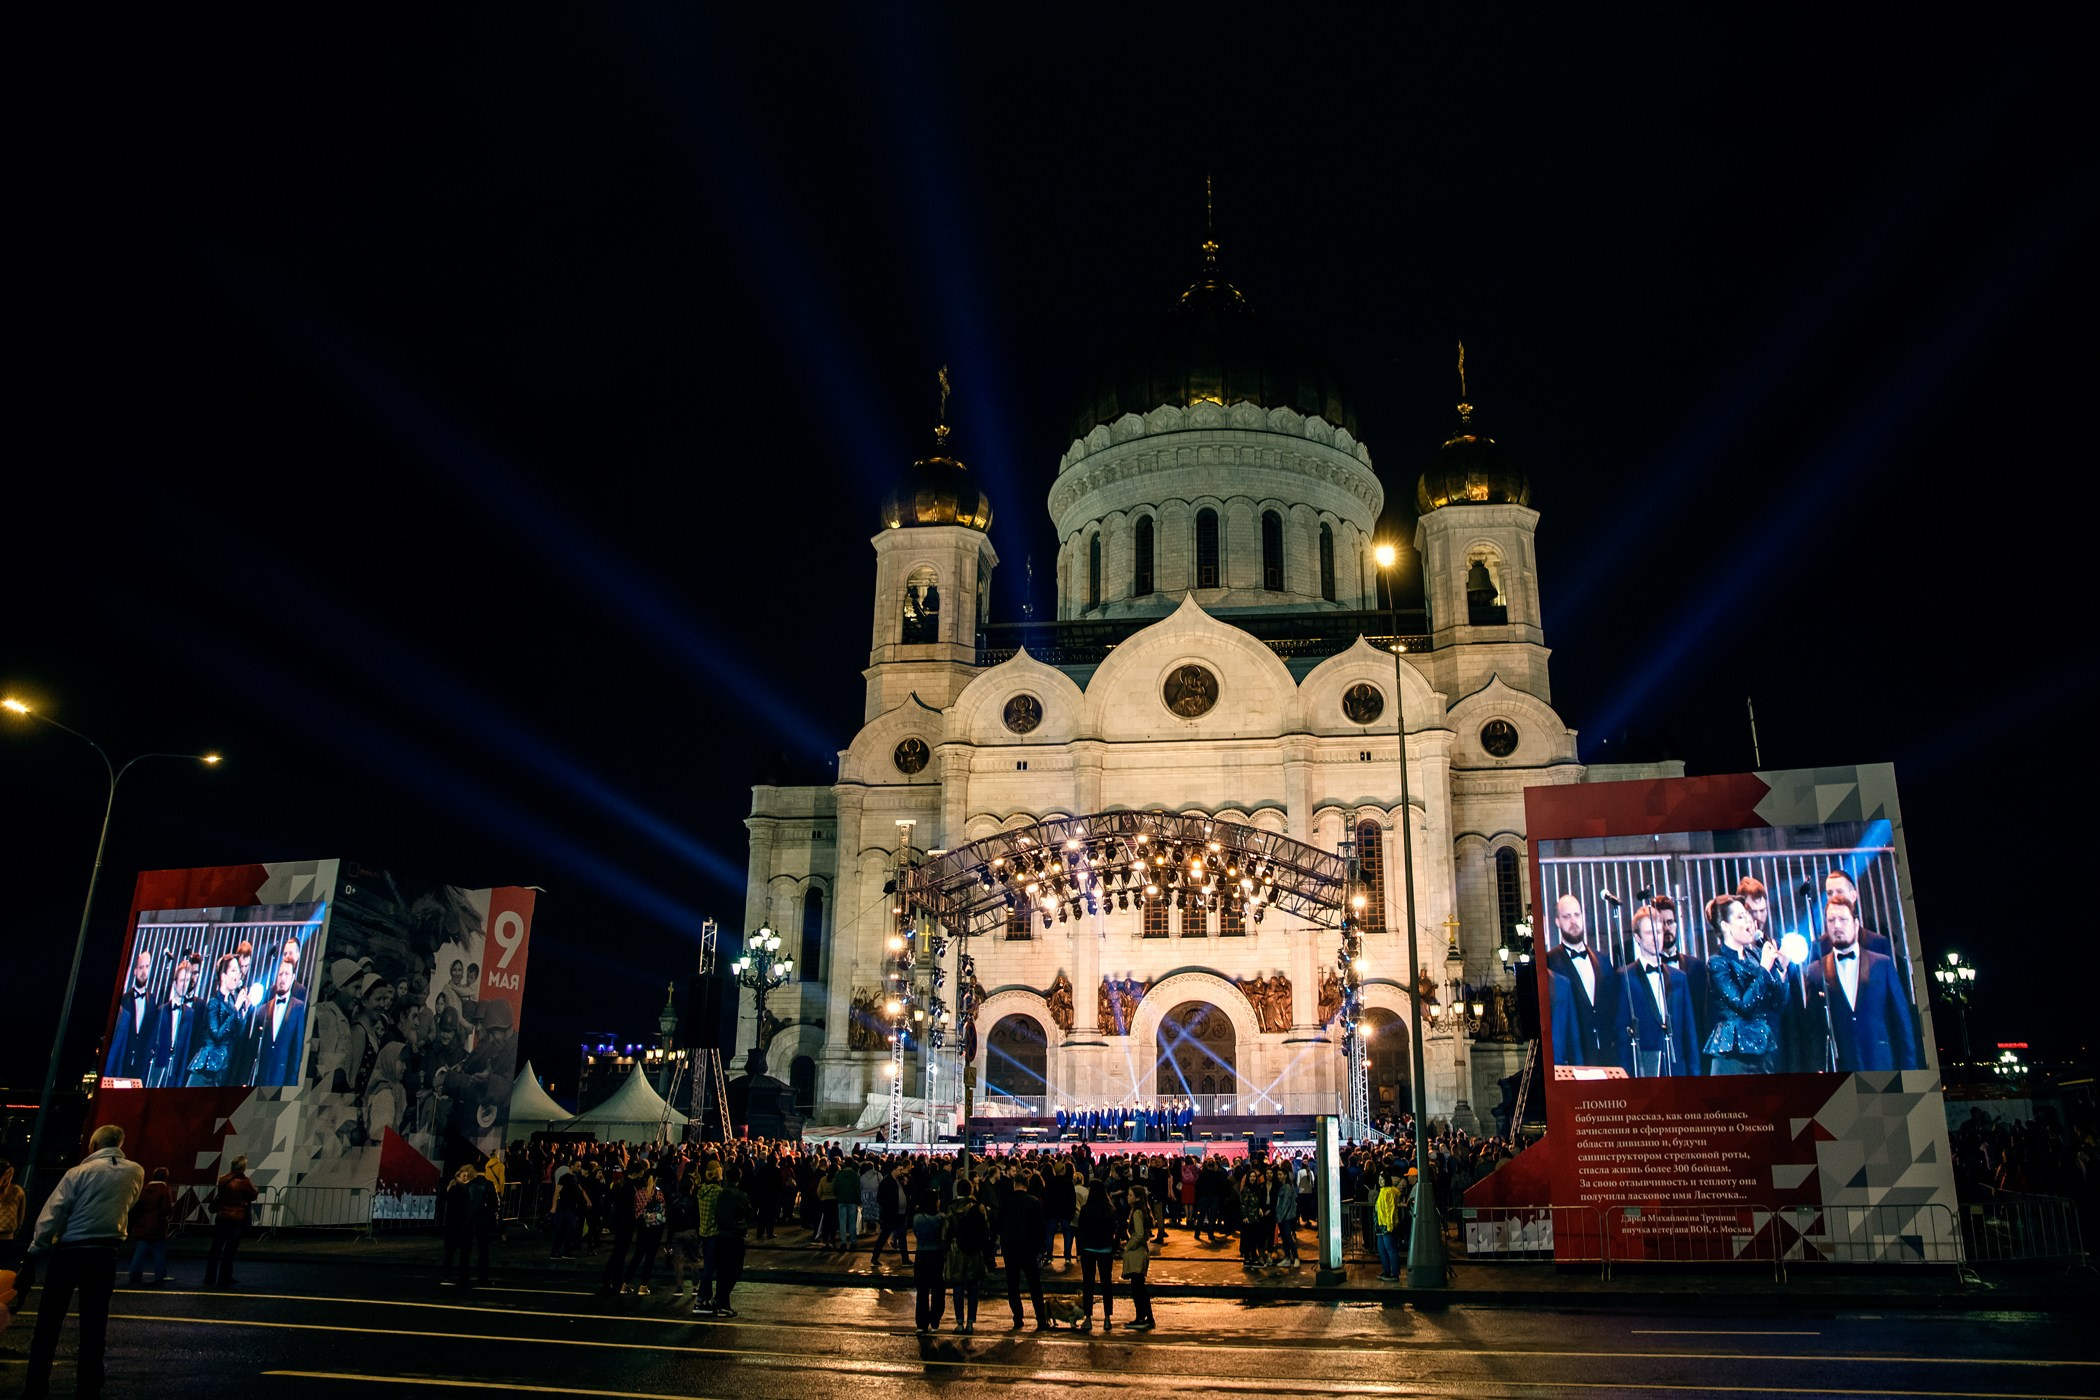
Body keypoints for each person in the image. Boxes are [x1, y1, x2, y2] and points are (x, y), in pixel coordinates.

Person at [20, 1124, 144, 1400]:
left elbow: (54, 1213)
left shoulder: (78, 1173)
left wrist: (35, 1250)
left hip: (70, 1251)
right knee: (95, 1323)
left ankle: (36, 1386)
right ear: (120, 1143)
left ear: (93, 1145)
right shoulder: (135, 1171)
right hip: (106, 1252)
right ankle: (89, 1386)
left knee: (49, 1323)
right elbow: (131, 1202)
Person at [1802, 892, 1920, 1072]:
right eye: (1832, 920)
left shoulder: (1882, 964)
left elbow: (1902, 1021)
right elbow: (1812, 1029)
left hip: (1881, 1065)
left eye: (1843, 919)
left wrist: (1909, 1071)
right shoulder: (1816, 971)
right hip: (1840, 1069)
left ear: (1856, 925)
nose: (1837, 925)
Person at [1703, 894, 1785, 1074]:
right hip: (1732, 1056)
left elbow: (1777, 1005)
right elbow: (1743, 1004)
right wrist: (1764, 968)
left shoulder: (1756, 955)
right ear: (1725, 925)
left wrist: (1780, 976)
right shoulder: (1718, 963)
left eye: (1748, 915)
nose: (1749, 921)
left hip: (1762, 1052)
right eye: (1740, 917)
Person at [1617, 904, 1699, 1077]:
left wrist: (1694, 1075)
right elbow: (1621, 1036)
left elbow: (1689, 1033)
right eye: (1648, 933)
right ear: (1637, 937)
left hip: (1679, 1072)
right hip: (1645, 1073)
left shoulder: (1680, 978)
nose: (1656, 938)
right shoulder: (1625, 977)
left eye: (1659, 932)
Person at [1546, 894, 1618, 1066]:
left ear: (1583, 918)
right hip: (1573, 1057)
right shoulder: (1549, 963)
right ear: (1557, 922)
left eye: (1577, 915)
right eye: (1567, 916)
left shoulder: (1603, 960)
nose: (1573, 921)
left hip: (1607, 1056)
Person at [184, 954, 248, 1088]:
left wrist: (242, 1012)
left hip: (219, 1072)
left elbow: (236, 1036)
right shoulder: (213, 1003)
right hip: (204, 1070)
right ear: (223, 976)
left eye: (238, 970)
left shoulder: (231, 1007)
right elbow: (218, 1034)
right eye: (233, 970)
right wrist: (236, 1008)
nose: (238, 974)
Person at [252, 941, 309, 1086]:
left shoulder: (298, 1007)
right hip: (262, 1076)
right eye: (280, 974)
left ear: (292, 977)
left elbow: (296, 1050)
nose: (283, 978)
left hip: (282, 1077)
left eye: (287, 974)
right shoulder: (264, 1008)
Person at [1000, 1169, 1049, 1330]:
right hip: (1029, 1249)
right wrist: (1041, 1248)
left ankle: (1018, 1318)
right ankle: (1041, 1319)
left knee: (1012, 1286)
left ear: (1014, 1184)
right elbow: (1040, 1228)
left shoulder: (1006, 1201)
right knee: (1034, 1285)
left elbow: (1000, 1224)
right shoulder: (1034, 1202)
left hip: (1010, 1248)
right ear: (1027, 1185)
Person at [203, 1154, 258, 1286]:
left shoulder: (222, 1179)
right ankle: (225, 1276)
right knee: (230, 1249)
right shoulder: (244, 1182)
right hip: (236, 1218)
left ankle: (209, 1277)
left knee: (216, 1247)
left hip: (222, 1216)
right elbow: (253, 1194)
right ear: (243, 1167)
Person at [147, 955, 201, 1088]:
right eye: (182, 980)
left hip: (175, 1075)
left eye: (187, 980)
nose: (185, 984)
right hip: (157, 1070)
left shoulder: (190, 1014)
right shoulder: (161, 1011)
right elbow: (151, 1045)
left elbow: (186, 1049)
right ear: (175, 982)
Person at [944, 1179, 989, 1333]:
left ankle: (959, 1322)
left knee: (957, 1286)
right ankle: (971, 1322)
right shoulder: (979, 1207)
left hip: (956, 1250)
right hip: (974, 1250)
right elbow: (986, 1229)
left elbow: (946, 1232)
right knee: (973, 1287)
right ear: (971, 1190)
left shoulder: (951, 1208)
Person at [1073, 1175, 1117, 1331]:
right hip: (1105, 1249)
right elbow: (1113, 1229)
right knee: (1106, 1283)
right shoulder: (1110, 1209)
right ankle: (1107, 1318)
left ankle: (1088, 1317)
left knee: (1088, 1283)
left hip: (1089, 1249)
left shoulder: (1086, 1209)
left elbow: (1081, 1229)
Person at [105, 949, 157, 1081]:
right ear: (135, 971)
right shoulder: (124, 999)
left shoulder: (152, 1001)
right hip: (122, 1063)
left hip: (141, 1067)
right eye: (140, 967)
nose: (144, 971)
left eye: (147, 967)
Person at [708, 1164, 752, 1319]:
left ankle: (721, 1303)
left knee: (722, 1272)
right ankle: (721, 1301)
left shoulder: (722, 1194)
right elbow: (749, 1214)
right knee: (736, 1270)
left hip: (722, 1235)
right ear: (739, 1179)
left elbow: (717, 1212)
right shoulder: (741, 1196)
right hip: (735, 1236)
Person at [125, 1167, 175, 1285]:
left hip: (142, 1224)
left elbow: (136, 1206)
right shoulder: (164, 1189)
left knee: (140, 1251)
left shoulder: (144, 1188)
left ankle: (134, 1275)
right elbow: (166, 1208)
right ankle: (160, 1275)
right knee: (159, 1251)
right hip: (157, 1225)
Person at [690, 1160, 725, 1315]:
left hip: (703, 1232)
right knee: (710, 1268)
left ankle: (706, 1298)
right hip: (714, 1233)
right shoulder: (717, 1192)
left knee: (707, 1266)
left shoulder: (701, 1190)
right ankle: (700, 1300)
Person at [625, 1168, 666, 1296]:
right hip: (655, 1228)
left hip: (642, 1226)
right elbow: (663, 1210)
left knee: (638, 1254)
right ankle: (643, 1285)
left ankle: (625, 1283)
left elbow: (636, 1210)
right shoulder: (658, 1193)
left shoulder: (638, 1193)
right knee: (650, 1256)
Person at [1122, 1183, 1157, 1330]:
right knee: (1139, 1288)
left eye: (1130, 1195)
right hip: (1141, 1252)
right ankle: (1146, 1317)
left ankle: (1142, 1317)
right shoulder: (1142, 1211)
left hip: (1137, 1253)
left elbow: (1139, 1234)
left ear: (1136, 1198)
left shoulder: (1136, 1213)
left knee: (1137, 1288)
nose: (1128, 1197)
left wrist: (1128, 1246)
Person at [872, 1160, 911, 1266]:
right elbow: (880, 1198)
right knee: (884, 1236)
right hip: (892, 1214)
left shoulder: (899, 1180)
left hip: (900, 1213)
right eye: (899, 1169)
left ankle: (905, 1259)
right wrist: (889, 1208)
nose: (901, 1172)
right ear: (893, 1170)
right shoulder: (887, 1182)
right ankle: (875, 1257)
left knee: (901, 1237)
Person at [1372, 1172, 1404, 1280]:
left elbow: (1390, 1210)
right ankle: (1387, 1271)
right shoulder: (1383, 1191)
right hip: (1381, 1225)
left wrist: (1390, 1225)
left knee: (1390, 1249)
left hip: (1386, 1225)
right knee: (1383, 1249)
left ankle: (1394, 1273)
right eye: (1379, 1179)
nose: (1380, 1181)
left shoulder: (1388, 1192)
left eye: (1383, 1179)